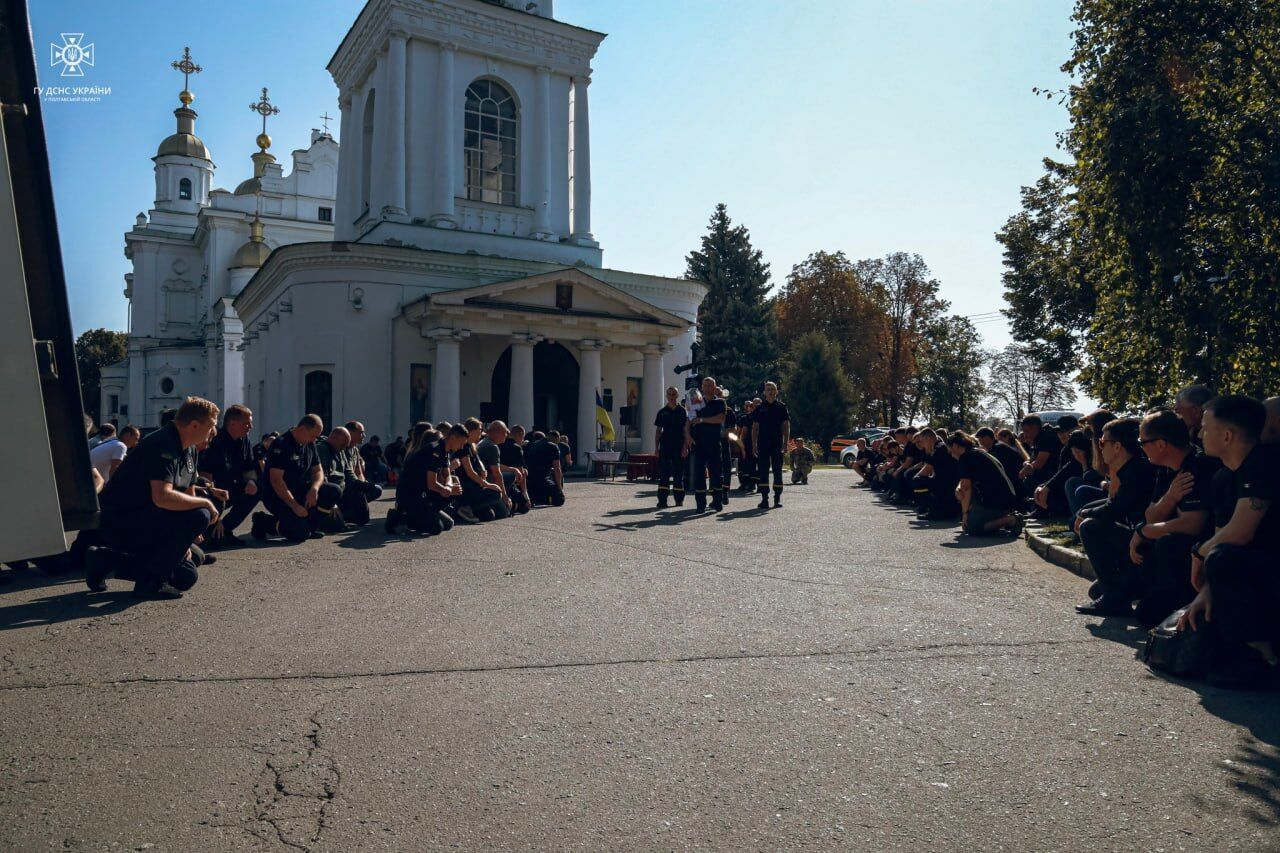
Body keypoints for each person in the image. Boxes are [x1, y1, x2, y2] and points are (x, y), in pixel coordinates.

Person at [1178, 395, 1280, 689]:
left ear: (1226, 435)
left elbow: (1240, 532)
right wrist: (1206, 592)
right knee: (1215, 561)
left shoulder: (1266, 462)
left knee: (1220, 557)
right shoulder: (1223, 477)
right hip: (1259, 573)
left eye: (1205, 427)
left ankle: (1261, 656)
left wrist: (1199, 553)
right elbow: (1223, 536)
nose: (1198, 434)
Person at [88, 397, 220, 598]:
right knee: (201, 513)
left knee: (187, 574)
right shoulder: (163, 443)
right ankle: (150, 585)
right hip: (123, 522)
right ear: (194, 425)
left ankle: (106, 561)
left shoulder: (190, 448)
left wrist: (184, 539)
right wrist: (206, 503)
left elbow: (188, 490)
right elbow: (162, 497)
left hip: (151, 519)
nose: (212, 432)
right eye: (211, 426)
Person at [1123, 409, 1219, 626]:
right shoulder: (1166, 468)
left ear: (1160, 444)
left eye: (1142, 441)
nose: (1140, 447)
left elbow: (1192, 524)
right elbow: (1150, 515)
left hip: (1203, 550)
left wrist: (1143, 531)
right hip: (1177, 552)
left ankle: (1183, 604)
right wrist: (1170, 498)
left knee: (1168, 542)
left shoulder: (1197, 466)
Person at [1074, 418, 1159, 617]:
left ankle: (1115, 599)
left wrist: (1085, 514)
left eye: (1102, 443)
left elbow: (1116, 509)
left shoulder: (1137, 470)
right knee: (1096, 591)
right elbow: (1115, 503)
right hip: (1138, 541)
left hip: (1147, 547)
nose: (1099, 447)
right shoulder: (1129, 468)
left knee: (1090, 527)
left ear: (1118, 446)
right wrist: (1084, 511)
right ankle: (1120, 593)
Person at [252, 414, 340, 542]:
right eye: (313, 436)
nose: (314, 440)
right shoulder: (281, 445)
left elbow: (318, 471)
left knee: (333, 490)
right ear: (303, 429)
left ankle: (310, 527)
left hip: (300, 490)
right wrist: (295, 506)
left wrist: (314, 489)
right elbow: (276, 481)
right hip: (278, 496)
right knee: (299, 534)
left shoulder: (309, 444)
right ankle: (263, 522)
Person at [196, 405, 260, 547]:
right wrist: (216, 516)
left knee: (257, 489)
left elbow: (249, 466)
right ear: (233, 423)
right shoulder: (216, 441)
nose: (251, 426)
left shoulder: (244, 440)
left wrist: (251, 481)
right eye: (247, 423)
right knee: (215, 501)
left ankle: (225, 530)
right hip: (213, 490)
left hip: (231, 488)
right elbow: (205, 478)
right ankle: (211, 530)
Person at [387, 423, 465, 535]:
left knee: (448, 524)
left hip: (424, 494)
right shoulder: (433, 451)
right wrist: (448, 489)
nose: (461, 447)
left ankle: (426, 514)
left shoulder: (444, 450)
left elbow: (446, 474)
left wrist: (449, 486)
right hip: (413, 496)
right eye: (461, 443)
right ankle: (399, 518)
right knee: (436, 528)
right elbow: (432, 484)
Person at [948, 431, 1023, 536]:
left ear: (955, 446)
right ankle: (999, 521)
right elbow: (963, 484)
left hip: (997, 502)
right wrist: (958, 489)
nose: (951, 455)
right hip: (1008, 499)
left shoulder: (965, 458)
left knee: (972, 528)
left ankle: (1011, 519)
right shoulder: (979, 452)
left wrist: (965, 514)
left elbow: (966, 488)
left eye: (950, 451)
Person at [456, 417, 510, 522]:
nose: (482, 431)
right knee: (496, 493)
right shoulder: (464, 447)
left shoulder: (473, 446)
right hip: (468, 487)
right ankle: (465, 507)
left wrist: (482, 472)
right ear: (472, 430)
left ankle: (471, 509)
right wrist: (487, 484)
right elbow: (470, 472)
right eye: (480, 429)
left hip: (476, 485)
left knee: (489, 516)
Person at [688, 376, 727, 512]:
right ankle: (700, 504)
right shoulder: (696, 401)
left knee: (716, 473)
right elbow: (689, 420)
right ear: (702, 388)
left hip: (714, 443)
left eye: (710, 385)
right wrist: (687, 436)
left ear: (715, 387)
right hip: (699, 443)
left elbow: (720, 418)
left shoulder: (720, 403)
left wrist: (702, 419)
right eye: (705, 385)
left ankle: (717, 501)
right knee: (699, 474)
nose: (708, 388)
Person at [751, 380, 790, 509]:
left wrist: (785, 443)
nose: (770, 391)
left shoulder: (781, 407)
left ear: (776, 391)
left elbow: (786, 426)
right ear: (764, 392)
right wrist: (754, 444)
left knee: (777, 470)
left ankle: (777, 498)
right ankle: (764, 499)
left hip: (777, 444)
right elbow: (755, 427)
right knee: (763, 471)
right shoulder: (760, 408)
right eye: (768, 389)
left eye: (772, 389)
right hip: (763, 444)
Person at [337, 421, 384, 525]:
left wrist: (362, 484)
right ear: (351, 433)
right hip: (344, 486)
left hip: (354, 485)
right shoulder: (341, 449)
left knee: (376, 489)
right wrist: (361, 486)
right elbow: (347, 474)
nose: (364, 435)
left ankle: (352, 510)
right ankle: (344, 512)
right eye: (361, 432)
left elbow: (359, 472)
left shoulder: (355, 450)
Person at [479, 420, 529, 514]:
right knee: (511, 476)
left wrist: (512, 469)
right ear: (497, 433)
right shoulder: (492, 447)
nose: (507, 435)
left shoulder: (484, 442)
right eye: (505, 432)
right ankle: (508, 503)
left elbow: (495, 466)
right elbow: (497, 474)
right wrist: (504, 496)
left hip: (482, 480)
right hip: (487, 482)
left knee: (511, 473)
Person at [912, 428, 960, 520]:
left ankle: (935, 511)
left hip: (948, 485)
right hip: (950, 483)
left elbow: (924, 472)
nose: (921, 445)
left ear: (928, 439)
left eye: (922, 441)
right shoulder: (940, 447)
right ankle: (939, 509)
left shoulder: (938, 449)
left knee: (917, 481)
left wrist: (914, 479)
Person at [653, 386, 688, 508]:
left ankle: (679, 499)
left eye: (674, 394)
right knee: (664, 474)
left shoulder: (683, 411)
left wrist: (685, 447)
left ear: (677, 396)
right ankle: (662, 501)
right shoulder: (662, 412)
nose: (672, 397)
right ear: (667, 396)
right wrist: (656, 448)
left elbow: (685, 430)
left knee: (678, 474)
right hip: (665, 446)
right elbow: (658, 431)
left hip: (679, 446)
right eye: (669, 394)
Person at [1018, 415, 1057, 497]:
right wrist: (1027, 463)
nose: (1024, 435)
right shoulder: (1038, 439)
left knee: (1029, 481)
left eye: (1026, 431)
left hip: (1052, 474)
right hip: (1048, 473)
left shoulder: (1046, 438)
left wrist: (1028, 467)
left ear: (1034, 428)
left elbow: (1039, 463)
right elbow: (1033, 458)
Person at [524, 431, 565, 506]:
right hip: (542, 479)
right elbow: (557, 468)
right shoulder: (553, 446)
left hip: (529, 481)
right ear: (556, 438)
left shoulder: (532, 444)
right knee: (560, 500)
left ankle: (536, 498)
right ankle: (544, 499)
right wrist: (559, 488)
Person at [1174, 384, 1214, 450]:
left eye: (1178, 411)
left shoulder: (1217, 435)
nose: (1177, 416)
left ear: (1195, 411)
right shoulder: (1191, 434)